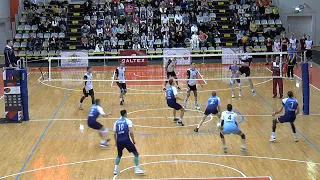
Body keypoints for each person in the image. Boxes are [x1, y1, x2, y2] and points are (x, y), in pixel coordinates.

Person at [113, 110, 146, 175]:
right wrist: (133, 140)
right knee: (136, 153)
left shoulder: (116, 122)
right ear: (125, 114)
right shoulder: (128, 121)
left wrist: (115, 142)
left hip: (119, 141)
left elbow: (114, 133)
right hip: (126, 140)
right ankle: (137, 169)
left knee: (119, 155)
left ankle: (115, 170)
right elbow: (131, 132)